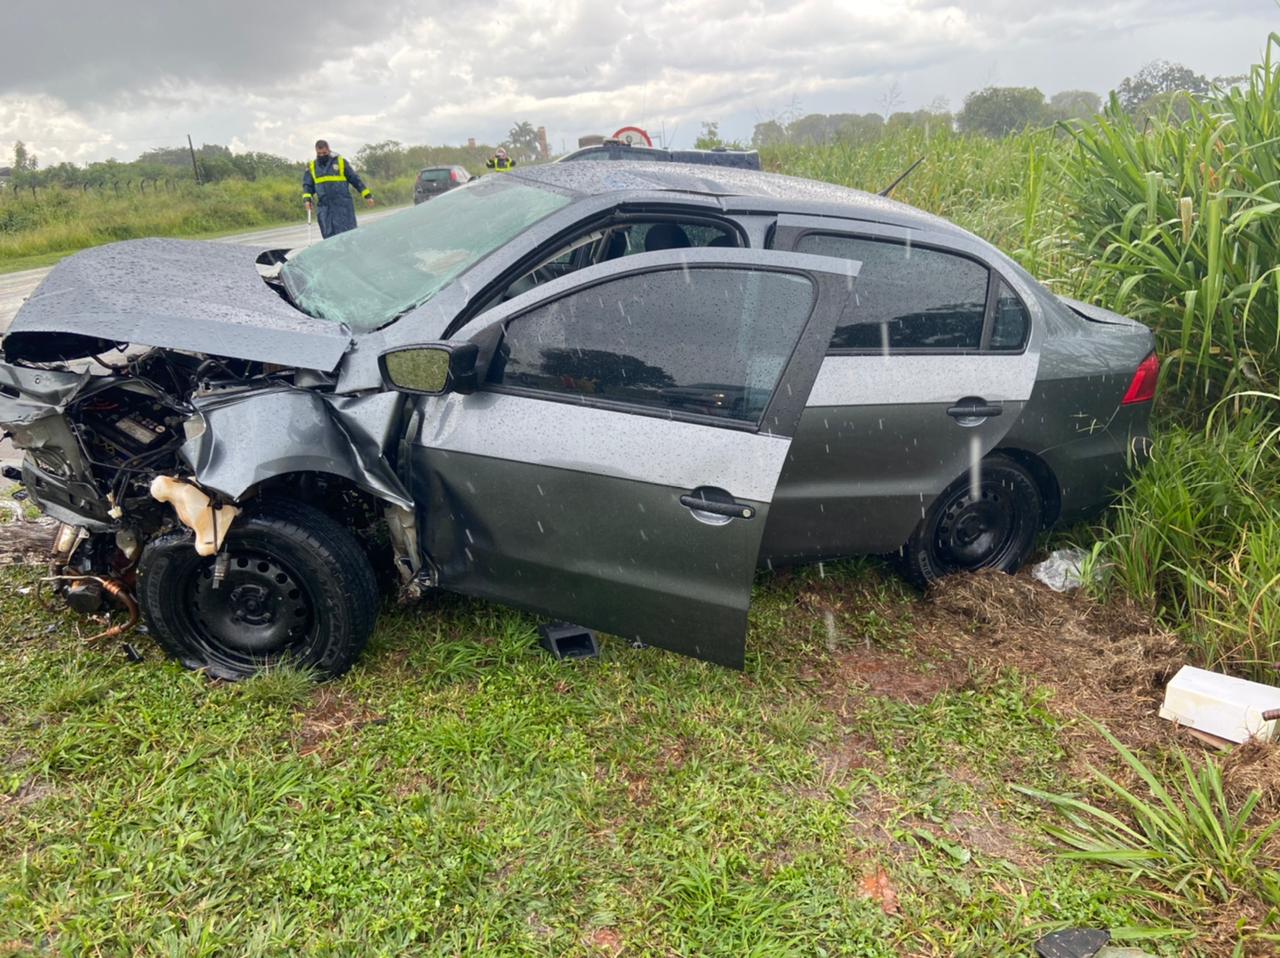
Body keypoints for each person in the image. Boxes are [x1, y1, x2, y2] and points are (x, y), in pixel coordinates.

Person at [302, 140, 374, 238]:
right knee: (329, 238)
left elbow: (355, 179)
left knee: (348, 235)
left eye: (324, 153)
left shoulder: (340, 162)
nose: (322, 155)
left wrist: (367, 195)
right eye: (319, 153)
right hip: (325, 209)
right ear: (316, 152)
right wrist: (307, 200)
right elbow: (307, 186)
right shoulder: (312, 167)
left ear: (329, 150)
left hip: (343, 207)